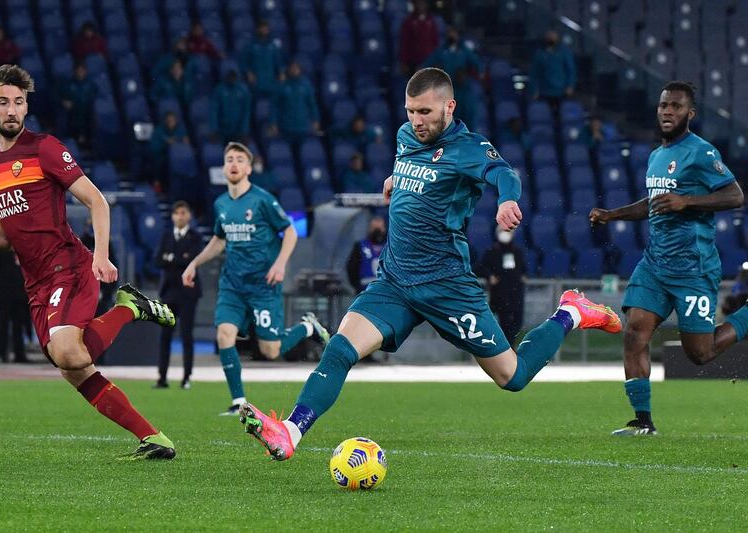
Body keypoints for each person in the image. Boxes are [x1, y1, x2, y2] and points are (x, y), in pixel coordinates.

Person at [238, 67, 622, 461]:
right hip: (395, 280)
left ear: (449, 106)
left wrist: (507, 200)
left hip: (446, 285)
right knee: (339, 349)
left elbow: (504, 173)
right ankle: (289, 432)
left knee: (513, 376)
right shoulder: (407, 137)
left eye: (424, 112)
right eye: (410, 112)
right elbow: (415, 168)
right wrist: (395, 180)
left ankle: (570, 312)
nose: (416, 121)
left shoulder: (469, 148)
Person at [0, 64, 177, 459]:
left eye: (19, 103)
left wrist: (101, 257)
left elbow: (97, 201)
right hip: (35, 283)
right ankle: (153, 438)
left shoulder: (45, 149)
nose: (12, 111)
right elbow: (7, 236)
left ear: (26, 108)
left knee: (69, 351)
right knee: (74, 369)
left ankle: (128, 308)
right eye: (3, 102)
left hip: (69, 266)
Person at [589, 81, 746, 436]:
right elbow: (655, 202)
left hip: (694, 268)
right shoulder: (656, 155)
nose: (667, 112)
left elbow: (736, 196)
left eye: (675, 107)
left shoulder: (702, 153)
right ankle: (642, 421)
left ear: (689, 114)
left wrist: (687, 201)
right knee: (635, 335)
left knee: (700, 354)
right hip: (656, 265)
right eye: (663, 106)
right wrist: (613, 215)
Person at [181, 142, 331, 416]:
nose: (234, 164)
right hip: (233, 285)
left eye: (240, 159)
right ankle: (239, 401)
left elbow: (290, 232)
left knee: (271, 350)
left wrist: (280, 264)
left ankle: (307, 327)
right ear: (224, 167)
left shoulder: (262, 200)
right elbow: (219, 240)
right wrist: (194, 263)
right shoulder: (221, 204)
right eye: (229, 159)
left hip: (263, 285)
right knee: (225, 333)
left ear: (249, 168)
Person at [154, 201, 203, 389]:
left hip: (188, 292)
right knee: (165, 335)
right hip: (169, 292)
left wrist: (171, 258)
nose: (179, 216)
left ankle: (186, 377)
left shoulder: (195, 236)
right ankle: (162, 377)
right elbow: (158, 260)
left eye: (183, 213)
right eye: (176, 213)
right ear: (173, 216)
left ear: (188, 215)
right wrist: (178, 258)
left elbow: (192, 260)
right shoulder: (167, 235)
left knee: (186, 335)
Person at [475, 225, 526, 345]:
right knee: (504, 324)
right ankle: (504, 352)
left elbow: (523, 270)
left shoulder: (517, 252)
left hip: (516, 295)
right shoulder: (492, 251)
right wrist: (490, 276)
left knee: (516, 324)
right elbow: (480, 268)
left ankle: (511, 350)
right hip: (501, 294)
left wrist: (522, 277)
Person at [0, 248, 30, 363]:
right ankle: (2, 354)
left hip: (20, 291)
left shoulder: (20, 240)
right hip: (3, 291)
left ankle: (20, 354)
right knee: (2, 323)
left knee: (19, 324)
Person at [268, 62, 319, 143]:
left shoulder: (306, 85)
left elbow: (312, 104)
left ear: (300, 70)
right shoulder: (282, 85)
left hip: (303, 127)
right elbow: (274, 106)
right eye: (292, 69)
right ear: (288, 70)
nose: (294, 71)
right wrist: (273, 122)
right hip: (285, 127)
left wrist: (315, 120)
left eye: (296, 69)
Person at [529, 30, 576, 109]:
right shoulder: (539, 54)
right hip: (544, 92)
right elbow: (534, 74)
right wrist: (534, 90)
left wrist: (570, 85)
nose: (551, 37)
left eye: (553, 35)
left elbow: (571, 70)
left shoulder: (564, 52)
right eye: (549, 35)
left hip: (561, 91)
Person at [239, 19, 284, 98]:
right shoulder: (250, 46)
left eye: (266, 29)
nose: (264, 30)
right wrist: (248, 72)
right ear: (257, 30)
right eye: (262, 28)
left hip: (270, 81)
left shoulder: (273, 46)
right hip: (256, 82)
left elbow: (278, 62)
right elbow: (243, 63)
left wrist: (281, 73)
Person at [346, 216, 386, 294]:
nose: (377, 231)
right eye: (374, 228)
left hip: (386, 293)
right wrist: (357, 287)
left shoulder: (389, 247)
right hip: (365, 292)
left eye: (379, 228)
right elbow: (351, 268)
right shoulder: (360, 246)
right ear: (370, 228)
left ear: (384, 229)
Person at [398, 0, 440, 75]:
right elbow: (405, 43)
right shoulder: (408, 22)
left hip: (429, 62)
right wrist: (404, 62)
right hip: (414, 62)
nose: (421, 6)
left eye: (423, 4)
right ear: (414, 5)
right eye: (418, 3)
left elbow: (435, 42)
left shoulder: (431, 21)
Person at [60, 62, 97, 147]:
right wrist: (64, 102)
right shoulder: (69, 84)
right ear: (75, 71)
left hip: (87, 112)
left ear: (86, 71)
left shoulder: (90, 84)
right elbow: (61, 97)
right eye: (78, 71)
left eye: (82, 71)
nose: (80, 73)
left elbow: (94, 97)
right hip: (73, 112)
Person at [209, 68, 251, 143]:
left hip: (238, 131)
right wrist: (214, 130)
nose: (232, 78)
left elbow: (246, 112)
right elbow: (213, 111)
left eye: (233, 75)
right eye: (230, 75)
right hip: (222, 131)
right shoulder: (219, 90)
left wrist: (244, 131)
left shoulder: (243, 90)